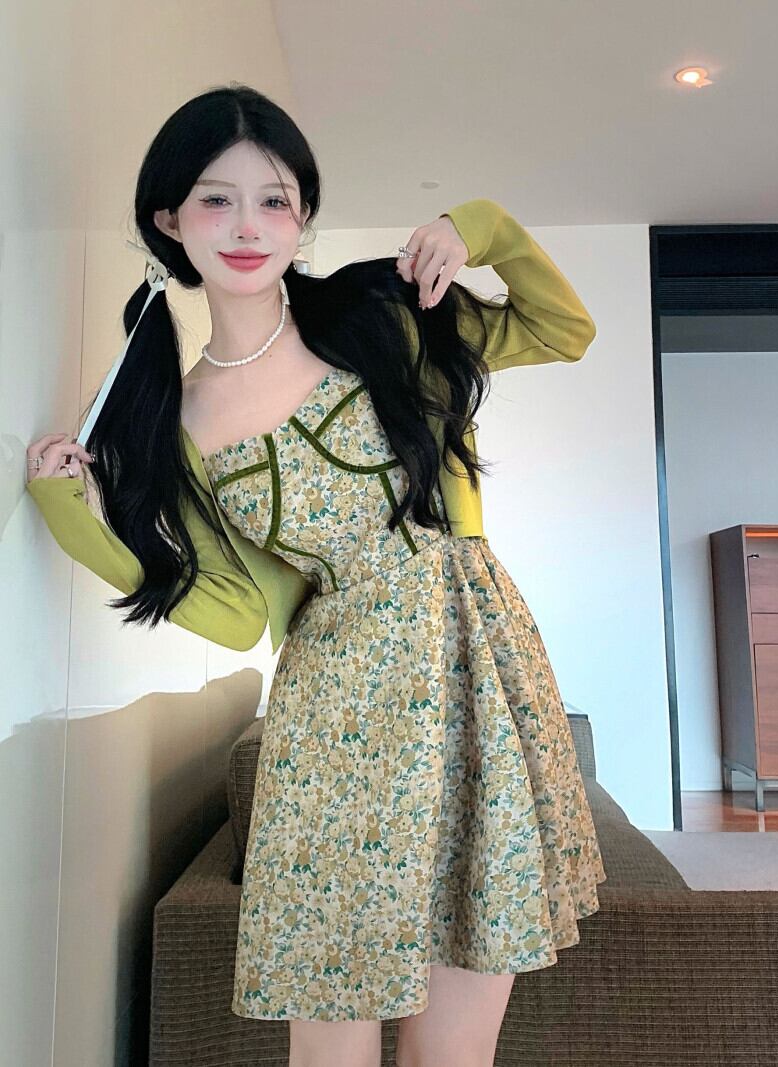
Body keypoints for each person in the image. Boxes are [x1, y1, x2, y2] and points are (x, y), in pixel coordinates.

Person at [26, 83, 606, 1067]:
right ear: (169, 219)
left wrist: (481, 228)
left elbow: (563, 329)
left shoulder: (384, 318)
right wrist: (75, 520)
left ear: (303, 217)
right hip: (334, 735)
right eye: (216, 200)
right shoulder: (172, 421)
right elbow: (237, 612)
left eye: (274, 199)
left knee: (454, 1053)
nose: (247, 226)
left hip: (479, 682)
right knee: (329, 1047)